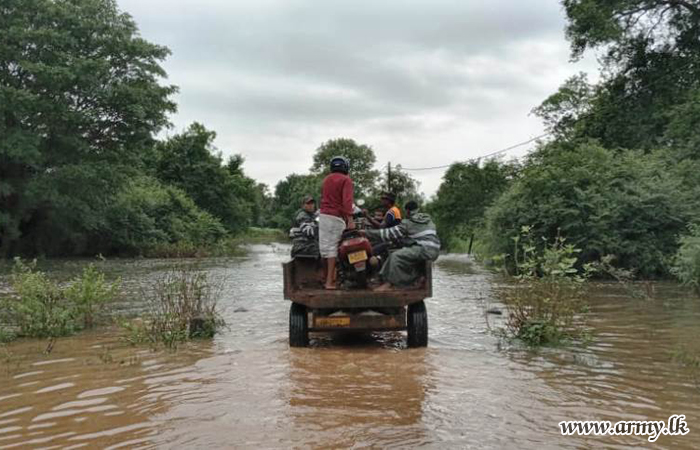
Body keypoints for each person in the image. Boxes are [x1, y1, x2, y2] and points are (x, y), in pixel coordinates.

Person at [363, 200, 440, 291]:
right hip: (435, 250)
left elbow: (388, 233)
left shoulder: (408, 222)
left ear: (407, 211)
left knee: (396, 256)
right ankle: (388, 279)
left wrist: (366, 233)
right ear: (417, 210)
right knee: (398, 254)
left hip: (424, 249)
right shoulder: (428, 221)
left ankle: (391, 285)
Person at [319, 156, 355, 290]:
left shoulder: (326, 179)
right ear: (345, 167)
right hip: (336, 217)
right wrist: (350, 220)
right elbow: (347, 202)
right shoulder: (346, 180)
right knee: (334, 249)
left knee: (324, 249)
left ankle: (325, 278)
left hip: (323, 216)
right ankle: (330, 282)